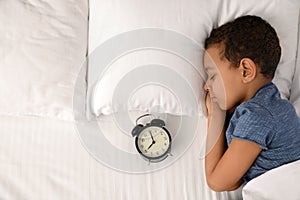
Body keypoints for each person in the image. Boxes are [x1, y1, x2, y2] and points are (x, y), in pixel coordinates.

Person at [203, 15, 300, 192]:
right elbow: (234, 181)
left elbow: (217, 182)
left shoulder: (258, 117)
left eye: (213, 75)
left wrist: (215, 116)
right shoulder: (272, 108)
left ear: (246, 71)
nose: (206, 85)